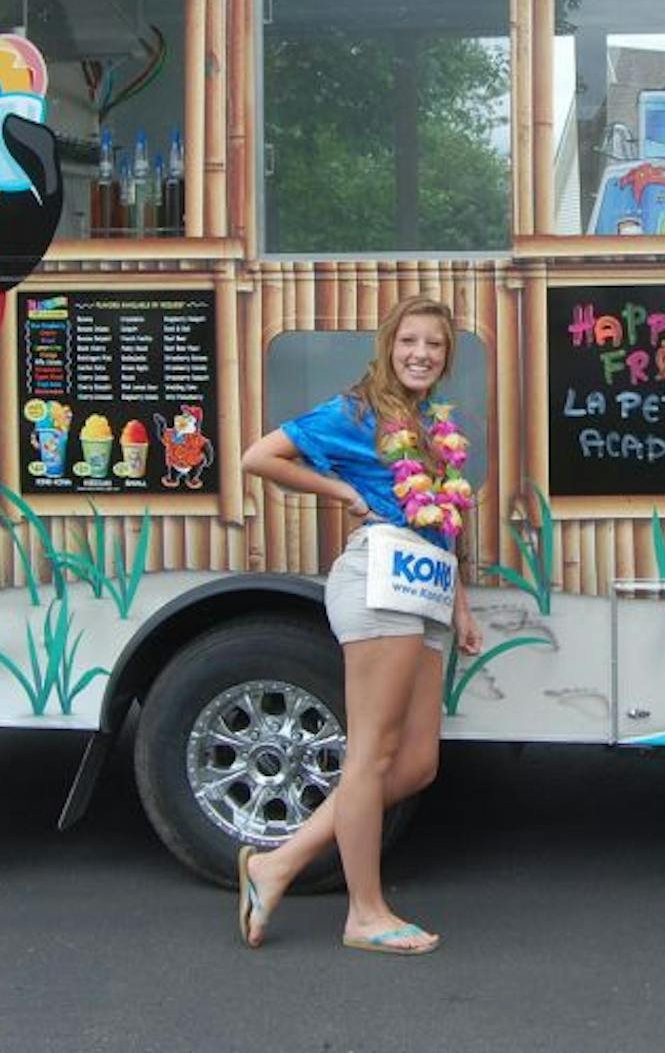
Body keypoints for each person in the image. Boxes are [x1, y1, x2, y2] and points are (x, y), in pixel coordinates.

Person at [236, 294, 483, 955]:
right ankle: (365, 913)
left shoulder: (433, 425)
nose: (421, 354)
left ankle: (277, 863)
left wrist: (461, 605)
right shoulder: (356, 411)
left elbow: (444, 521)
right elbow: (260, 457)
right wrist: (343, 493)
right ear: (388, 345)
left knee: (415, 763)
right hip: (379, 581)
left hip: (427, 591)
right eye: (409, 342)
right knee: (372, 754)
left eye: (434, 344)